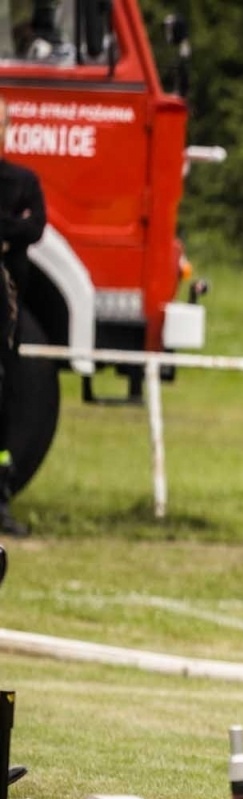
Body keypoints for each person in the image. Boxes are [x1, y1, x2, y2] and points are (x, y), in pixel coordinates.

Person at [0, 98, 45, 537]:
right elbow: (22, 228)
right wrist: (11, 226)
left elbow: (35, 229)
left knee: (5, 398)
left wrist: (9, 232)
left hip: (5, 316)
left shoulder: (23, 180)